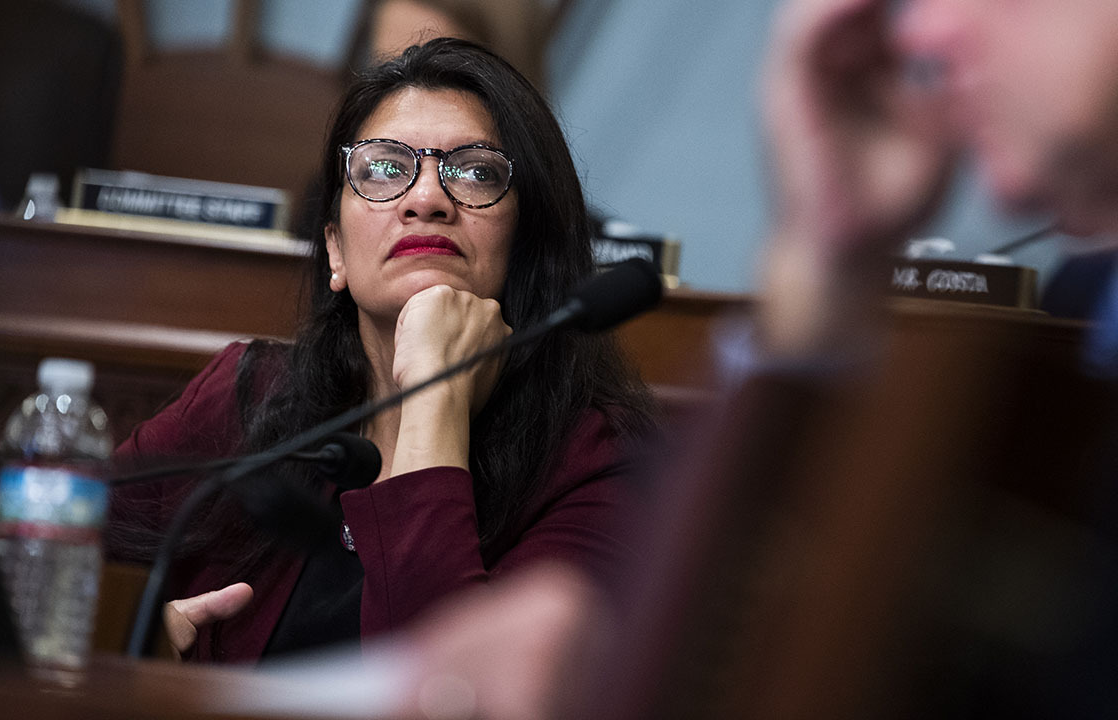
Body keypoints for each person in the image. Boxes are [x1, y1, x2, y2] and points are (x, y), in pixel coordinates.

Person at [378, 1, 1118, 717]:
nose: (927, 31)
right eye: (381, 168)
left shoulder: (588, 446)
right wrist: (824, 263)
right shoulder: (1084, 302)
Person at [107, 37, 653, 663]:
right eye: (386, 168)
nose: (426, 198)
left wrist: (437, 394)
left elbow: (455, 697)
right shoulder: (247, 397)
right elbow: (49, 564)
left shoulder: (597, 468)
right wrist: (136, 635)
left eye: (475, 171)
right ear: (336, 250)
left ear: (526, 246)